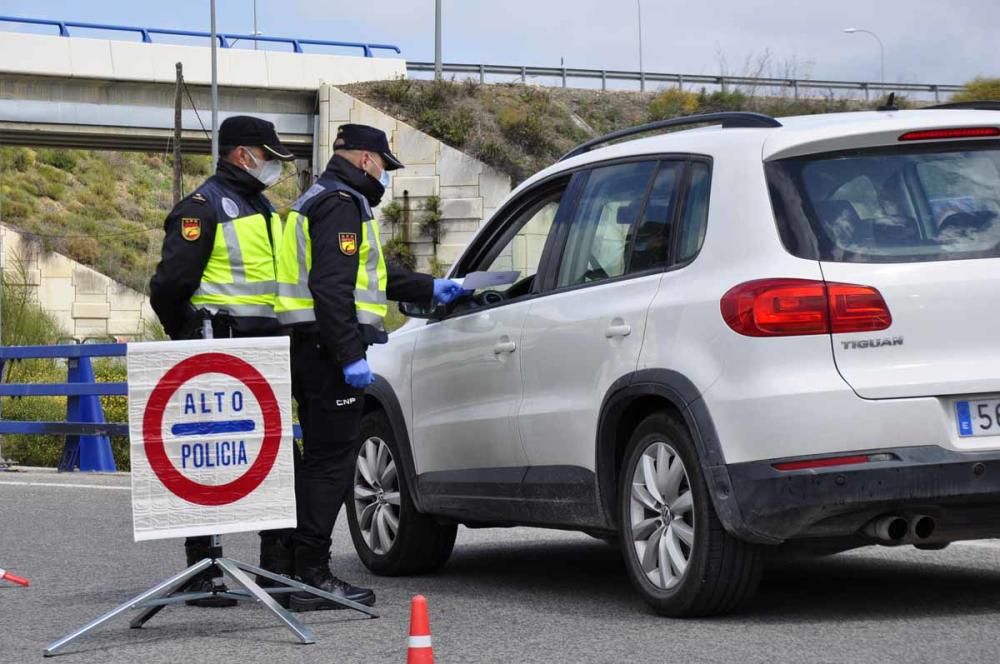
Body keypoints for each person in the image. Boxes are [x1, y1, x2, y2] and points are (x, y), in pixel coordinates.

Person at [272, 124, 466, 612]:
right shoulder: (341, 203)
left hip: (307, 348)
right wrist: (349, 356)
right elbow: (332, 288)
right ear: (364, 160)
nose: (384, 176)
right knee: (331, 463)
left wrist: (427, 288)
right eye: (383, 164)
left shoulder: (316, 197)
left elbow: (368, 276)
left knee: (316, 460)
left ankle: (288, 568)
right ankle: (311, 576)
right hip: (327, 352)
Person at [149, 115, 295, 607]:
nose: (274, 166)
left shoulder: (263, 206)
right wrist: (189, 335)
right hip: (215, 350)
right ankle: (202, 569)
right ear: (242, 154)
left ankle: (277, 568)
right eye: (268, 157)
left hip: (263, 353)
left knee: (272, 458)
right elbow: (170, 286)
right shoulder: (202, 207)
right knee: (208, 457)